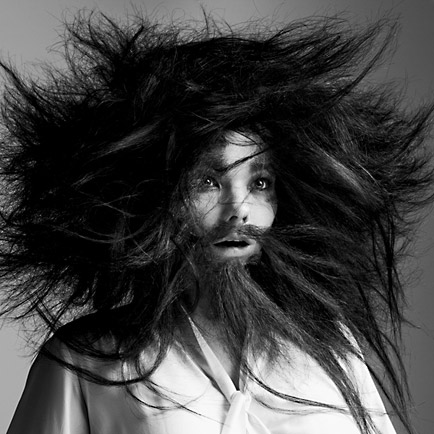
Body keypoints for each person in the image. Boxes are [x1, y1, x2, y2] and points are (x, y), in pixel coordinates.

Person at [0, 12, 432, 434]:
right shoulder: (85, 359)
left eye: (260, 183)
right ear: (154, 197)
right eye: (207, 182)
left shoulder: (331, 345)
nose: (239, 209)